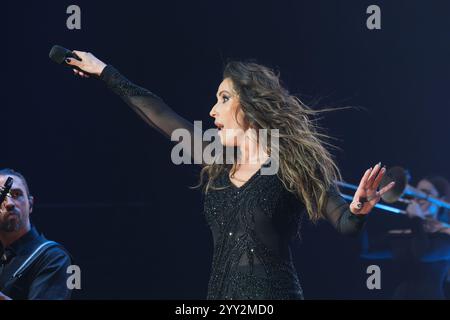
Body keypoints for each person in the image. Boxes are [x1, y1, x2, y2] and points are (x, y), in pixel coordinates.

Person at [65, 52, 394, 299]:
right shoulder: (217, 159)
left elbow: (345, 222)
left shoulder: (293, 162)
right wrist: (104, 71)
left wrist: (357, 209)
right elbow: (158, 112)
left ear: (250, 104)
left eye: (224, 99)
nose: (212, 110)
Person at [362, 176, 450, 299]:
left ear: (442, 200)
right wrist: (361, 215)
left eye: (425, 194)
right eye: (416, 193)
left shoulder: (446, 233)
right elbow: (367, 251)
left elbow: (423, 254)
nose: (417, 198)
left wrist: (416, 219)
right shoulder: (410, 233)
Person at [0, 169, 73, 300]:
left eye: (16, 194)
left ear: (31, 204)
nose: (9, 203)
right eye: (2, 196)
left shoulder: (55, 257)